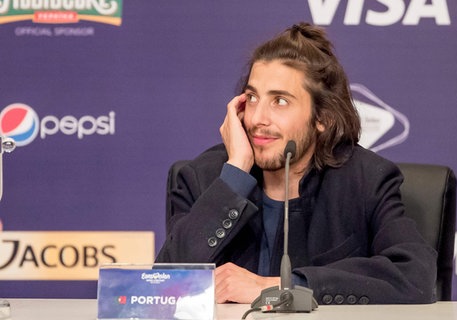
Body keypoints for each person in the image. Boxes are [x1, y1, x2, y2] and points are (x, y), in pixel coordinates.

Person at [156, 22, 437, 305]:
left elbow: (415, 277)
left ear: (322, 118)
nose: (257, 119)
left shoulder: (365, 180)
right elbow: (163, 286)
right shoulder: (204, 178)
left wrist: (283, 287)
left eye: (279, 101)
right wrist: (235, 174)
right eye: (252, 98)